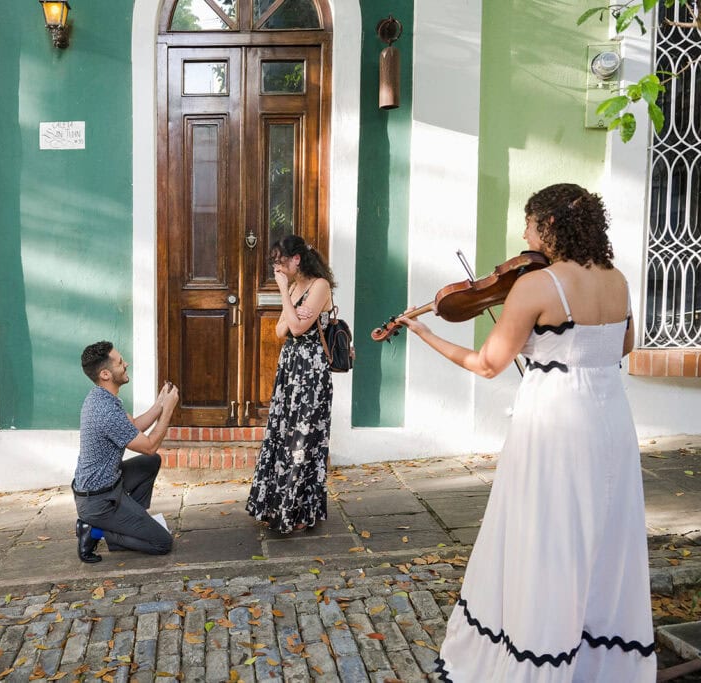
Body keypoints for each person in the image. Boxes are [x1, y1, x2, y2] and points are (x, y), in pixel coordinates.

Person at [397, 184, 655, 681]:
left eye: (530, 224)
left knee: (547, 536)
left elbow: (488, 363)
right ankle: (598, 662)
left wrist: (428, 335)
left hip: (556, 422)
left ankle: (539, 655)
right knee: (603, 535)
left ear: (551, 227)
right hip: (610, 419)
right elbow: (622, 345)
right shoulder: (619, 280)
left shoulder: (537, 286)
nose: (523, 234)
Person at [246, 235, 335, 533]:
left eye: (280, 261)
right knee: (283, 434)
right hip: (291, 370)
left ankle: (298, 511)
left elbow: (296, 327)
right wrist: (291, 302)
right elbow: (280, 329)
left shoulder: (319, 285)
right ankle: (276, 505)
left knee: (304, 440)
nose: (277, 267)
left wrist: (285, 294)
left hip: (311, 372)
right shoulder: (297, 287)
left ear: (296, 259)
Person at [73, 340, 179, 563]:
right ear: (105, 374)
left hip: (109, 485)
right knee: (162, 543)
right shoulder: (105, 410)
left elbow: (134, 427)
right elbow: (149, 445)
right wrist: (169, 410)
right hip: (99, 502)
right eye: (120, 362)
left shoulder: (102, 397)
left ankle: (130, 522)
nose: (126, 364)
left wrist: (160, 403)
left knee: (149, 464)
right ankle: (95, 530)